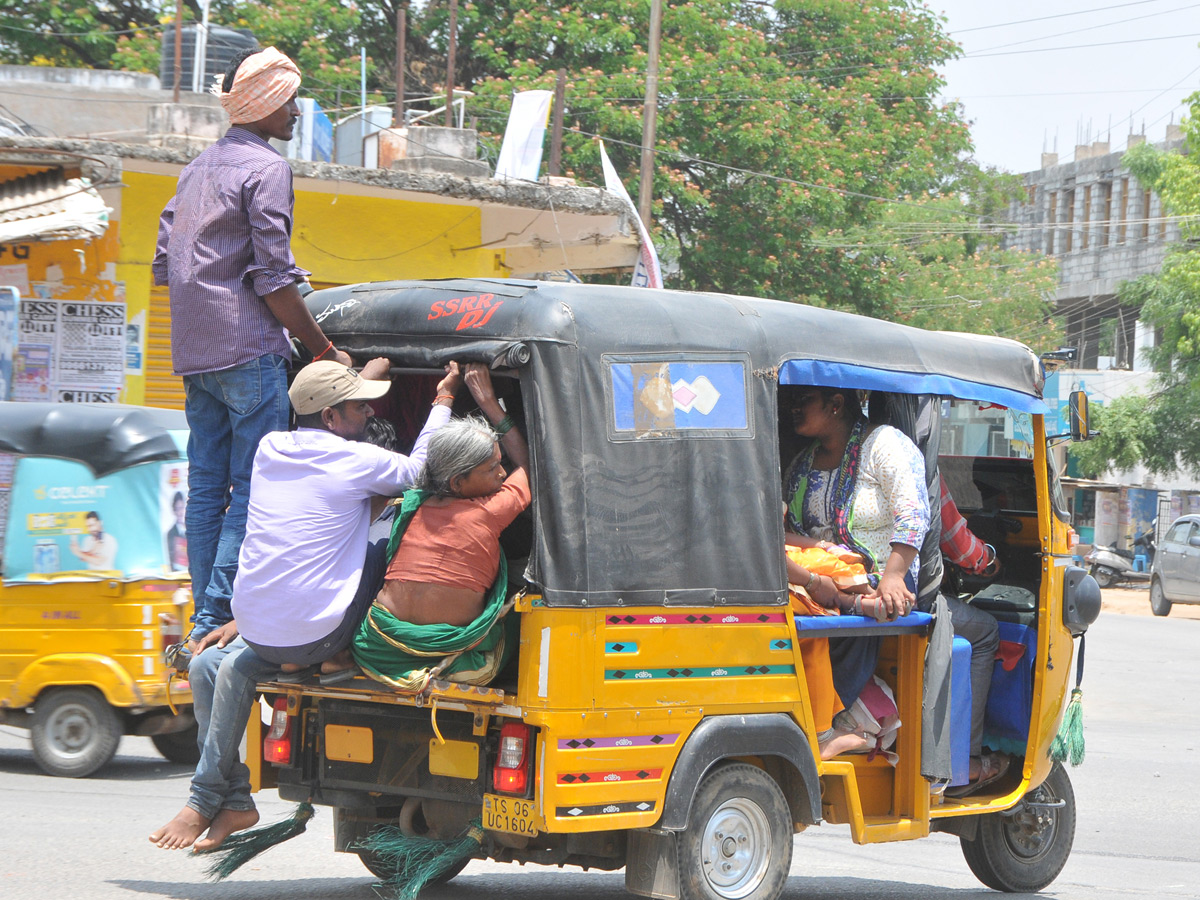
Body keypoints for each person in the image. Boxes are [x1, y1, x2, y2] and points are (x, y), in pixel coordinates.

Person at [149, 360, 461, 853]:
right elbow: (423, 468)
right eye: (360, 406)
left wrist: (357, 373)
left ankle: (214, 800)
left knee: (213, 665)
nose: (367, 414)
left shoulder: (271, 448)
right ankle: (219, 798)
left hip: (263, 629)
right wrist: (443, 402)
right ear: (333, 418)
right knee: (386, 535)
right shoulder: (356, 460)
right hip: (314, 636)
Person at [152, 45, 352, 648]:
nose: (296, 112)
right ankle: (217, 620)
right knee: (251, 487)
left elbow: (168, 263)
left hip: (195, 356)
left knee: (208, 489)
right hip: (250, 353)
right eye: (289, 100)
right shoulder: (266, 169)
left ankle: (200, 620)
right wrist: (323, 350)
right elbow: (273, 281)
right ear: (263, 104)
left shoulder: (197, 168)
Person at [354, 365, 530, 690]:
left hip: (379, 648)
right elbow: (530, 465)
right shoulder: (489, 511)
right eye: (492, 468)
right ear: (458, 482)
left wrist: (445, 394)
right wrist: (490, 403)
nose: (502, 475)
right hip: (451, 654)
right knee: (527, 606)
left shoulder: (412, 503)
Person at [782, 386, 929, 718]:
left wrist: (893, 577)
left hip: (882, 581)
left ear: (836, 404)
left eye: (803, 400)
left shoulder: (885, 445)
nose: (793, 408)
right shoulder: (802, 464)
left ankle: (831, 718)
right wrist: (819, 560)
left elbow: (913, 516)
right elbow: (783, 532)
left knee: (869, 608)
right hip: (815, 580)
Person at [937, 476, 1009, 796]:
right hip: (904, 598)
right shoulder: (914, 463)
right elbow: (959, 545)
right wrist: (989, 559)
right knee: (985, 632)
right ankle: (966, 761)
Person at [166, 491, 188, 572]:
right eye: (177, 509)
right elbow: (171, 559)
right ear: (174, 511)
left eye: (182, 508)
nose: (180, 512)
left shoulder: (192, 531)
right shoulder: (171, 533)